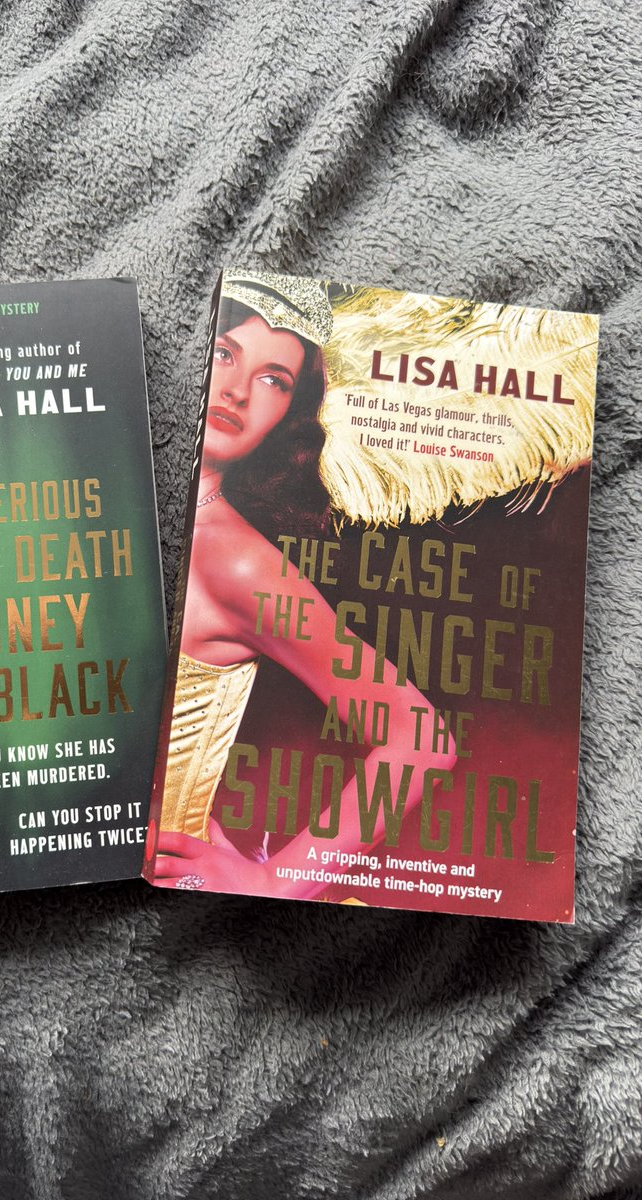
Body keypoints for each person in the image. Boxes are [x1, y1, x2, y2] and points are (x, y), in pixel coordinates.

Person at [152, 272, 455, 899]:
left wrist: (274, 880)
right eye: (224, 353)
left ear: (289, 413)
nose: (237, 391)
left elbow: (421, 739)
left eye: (273, 380)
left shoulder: (237, 562)